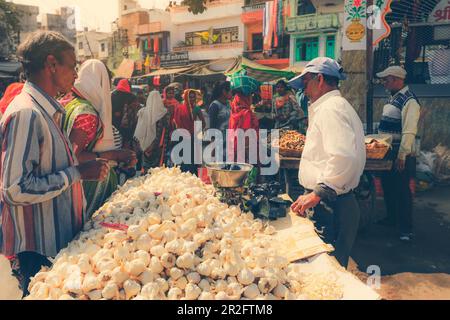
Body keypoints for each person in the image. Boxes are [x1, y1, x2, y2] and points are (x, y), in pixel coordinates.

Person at [0, 31, 109, 295]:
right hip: (39, 253)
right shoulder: (27, 113)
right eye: (72, 66)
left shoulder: (47, 111)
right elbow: (15, 189)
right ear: (51, 64)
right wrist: (77, 173)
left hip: (56, 248)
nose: (75, 74)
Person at [290, 57, 366, 269]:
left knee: (326, 271)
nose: (303, 90)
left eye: (305, 83)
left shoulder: (331, 109)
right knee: (332, 269)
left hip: (330, 205)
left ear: (320, 79)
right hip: (335, 201)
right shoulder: (336, 106)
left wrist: (317, 193)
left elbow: (344, 156)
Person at [60, 59, 137, 217]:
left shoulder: (70, 104)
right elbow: (72, 157)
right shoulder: (86, 113)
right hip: (85, 191)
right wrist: (114, 155)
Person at [376, 66, 421, 241]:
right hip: (388, 150)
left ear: (396, 79)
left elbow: (409, 130)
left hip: (399, 152)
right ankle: (392, 218)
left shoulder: (409, 100)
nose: (384, 83)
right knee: (389, 186)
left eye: (386, 79)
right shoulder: (394, 97)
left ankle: (405, 229)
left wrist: (402, 154)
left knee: (402, 190)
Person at [135, 90, 171, 170]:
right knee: (158, 169)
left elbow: (139, 130)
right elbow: (165, 130)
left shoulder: (142, 112)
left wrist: (144, 145)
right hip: (160, 146)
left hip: (145, 145)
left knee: (146, 168)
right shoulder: (164, 113)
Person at [173, 89, 205, 174]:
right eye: (190, 97)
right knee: (183, 157)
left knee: (192, 157)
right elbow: (175, 122)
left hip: (192, 136)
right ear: (186, 98)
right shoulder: (179, 108)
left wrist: (197, 132)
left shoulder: (197, 109)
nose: (192, 99)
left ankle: (192, 175)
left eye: (193, 97)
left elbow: (203, 123)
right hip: (181, 136)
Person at [227, 91, 259, 164]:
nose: (251, 99)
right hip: (245, 151)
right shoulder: (246, 113)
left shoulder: (234, 112)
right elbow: (246, 135)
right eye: (250, 97)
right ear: (246, 98)